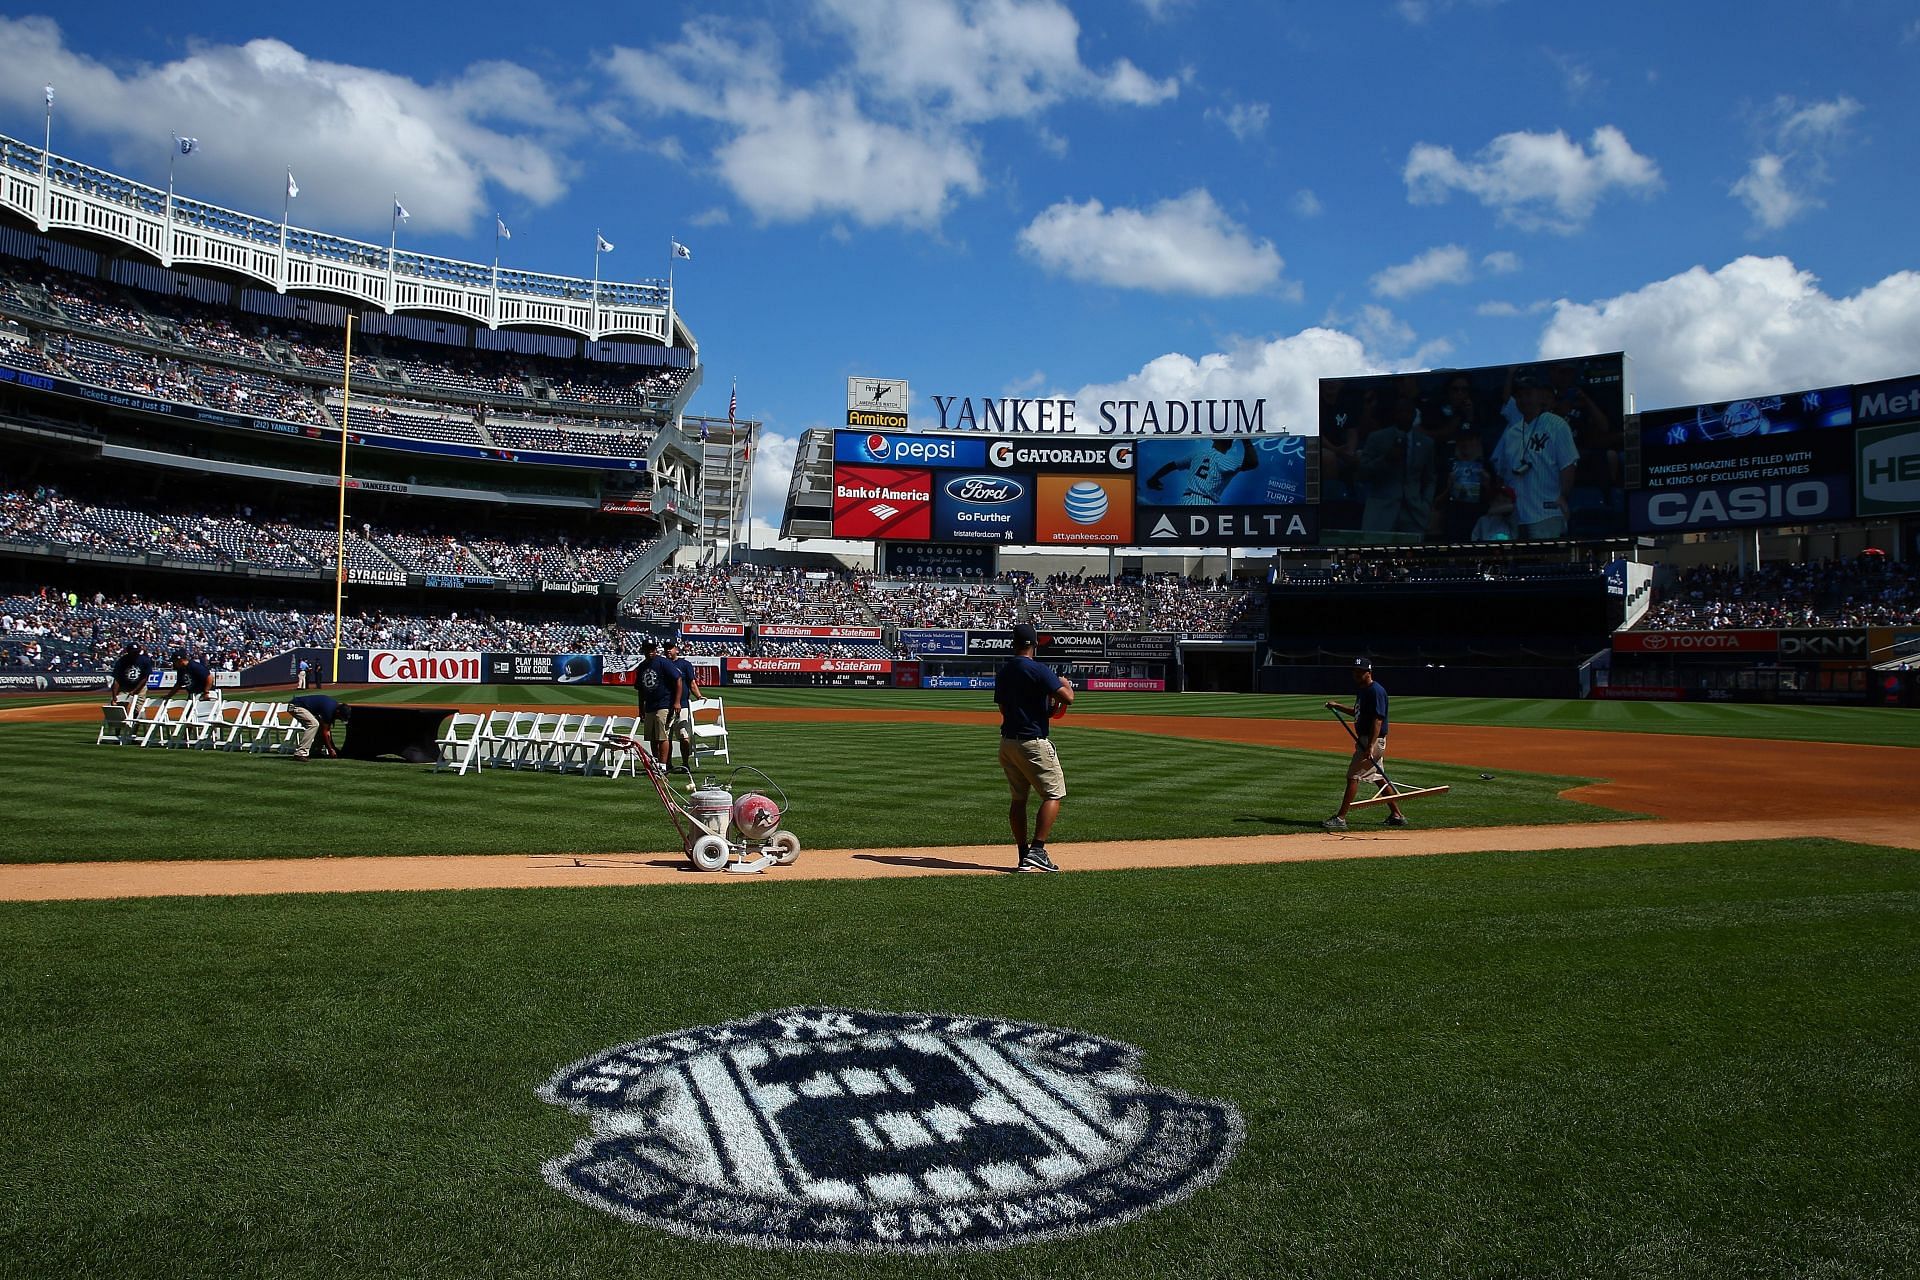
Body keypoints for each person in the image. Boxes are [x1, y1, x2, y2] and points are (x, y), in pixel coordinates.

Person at [994, 621, 1074, 873]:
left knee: (1018, 799)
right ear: (1035, 644)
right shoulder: (1039, 669)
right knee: (1053, 794)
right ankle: (1038, 851)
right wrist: (1065, 683)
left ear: (1013, 643)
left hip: (1008, 742)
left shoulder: (1005, 671)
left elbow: (1004, 708)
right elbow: (1067, 698)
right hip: (1032, 742)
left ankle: (1023, 855)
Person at [1492, 370, 1579, 540]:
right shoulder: (1512, 432)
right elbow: (1503, 472)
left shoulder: (1556, 424)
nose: (1524, 399)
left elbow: (1568, 465)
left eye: (1529, 394)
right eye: (1520, 395)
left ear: (1541, 396)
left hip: (1547, 513)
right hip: (1516, 516)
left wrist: (1563, 496)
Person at [1323, 657, 1405, 831]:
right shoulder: (1363, 690)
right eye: (1355, 671)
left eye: (1360, 671)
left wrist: (1370, 746)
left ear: (1369, 672)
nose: (1356, 674)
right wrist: (1337, 706)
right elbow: (1357, 713)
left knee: (1353, 777)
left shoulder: (1376, 691)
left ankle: (1341, 818)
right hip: (1367, 740)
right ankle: (1397, 815)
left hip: (1371, 741)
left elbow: (1378, 720)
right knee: (1379, 778)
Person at [1145, 438, 1258, 505]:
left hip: (1186, 501)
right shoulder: (1225, 460)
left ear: (1214, 440)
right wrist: (1246, 440)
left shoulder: (1197, 454)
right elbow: (1252, 463)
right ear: (1229, 445)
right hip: (1205, 504)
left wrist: (1154, 478)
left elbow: (1171, 465)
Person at [635, 638, 683, 768]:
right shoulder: (642, 666)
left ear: (656, 649)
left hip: (664, 703)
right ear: (643, 650)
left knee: (662, 735)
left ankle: (663, 765)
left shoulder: (663, 662)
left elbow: (678, 679)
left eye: (653, 649)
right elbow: (640, 689)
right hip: (650, 705)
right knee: (652, 736)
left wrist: (677, 702)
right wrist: (641, 709)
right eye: (648, 649)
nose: (650, 652)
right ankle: (656, 762)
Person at [663, 638, 701, 771]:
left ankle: (685, 764)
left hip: (682, 705)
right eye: (666, 647)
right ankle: (667, 764)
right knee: (666, 737)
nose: (668, 650)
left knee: (684, 736)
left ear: (676, 649)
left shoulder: (685, 664)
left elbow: (691, 682)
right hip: (665, 704)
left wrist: (699, 696)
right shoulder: (662, 664)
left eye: (671, 647)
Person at [287, 693, 350, 760]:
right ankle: (300, 753)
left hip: (302, 706)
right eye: (340, 717)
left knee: (320, 727)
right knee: (313, 724)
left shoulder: (334, 708)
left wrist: (332, 748)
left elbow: (326, 731)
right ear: (338, 712)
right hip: (296, 706)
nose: (339, 719)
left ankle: (315, 751)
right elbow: (326, 732)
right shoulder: (329, 709)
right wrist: (330, 749)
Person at [107, 643, 154, 712]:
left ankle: (137, 721)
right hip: (125, 687)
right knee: (120, 708)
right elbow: (116, 680)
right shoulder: (122, 661)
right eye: (134, 652)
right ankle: (123, 722)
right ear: (128, 652)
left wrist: (134, 691)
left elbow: (145, 678)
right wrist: (114, 696)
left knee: (139, 710)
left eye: (137, 652)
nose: (136, 654)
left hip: (140, 688)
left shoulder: (145, 660)